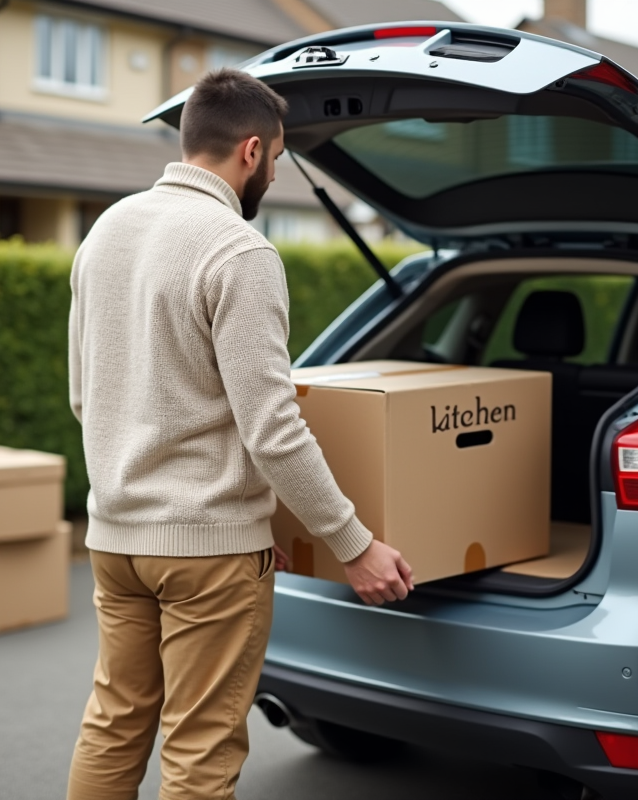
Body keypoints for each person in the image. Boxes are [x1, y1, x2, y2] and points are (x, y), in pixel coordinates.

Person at [65, 68, 414, 800]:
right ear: (251, 151)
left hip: (114, 539)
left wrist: (250, 516)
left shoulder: (107, 232)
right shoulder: (239, 251)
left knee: (114, 722)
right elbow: (272, 427)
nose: (277, 171)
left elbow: (83, 396)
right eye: (281, 157)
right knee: (200, 746)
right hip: (206, 555)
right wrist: (354, 545)